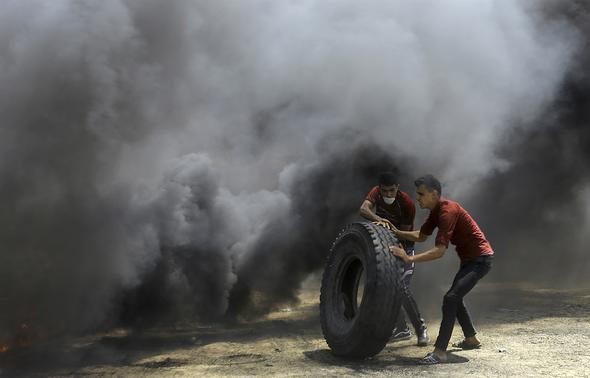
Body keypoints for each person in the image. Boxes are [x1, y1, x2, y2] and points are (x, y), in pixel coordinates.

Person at [389, 174, 494, 364]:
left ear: (434, 193)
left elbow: (439, 252)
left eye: (421, 194)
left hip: (481, 260)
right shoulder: (436, 212)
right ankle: (471, 339)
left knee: (451, 298)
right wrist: (396, 232)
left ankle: (439, 352)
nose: (417, 198)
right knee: (455, 297)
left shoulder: (447, 211)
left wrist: (409, 257)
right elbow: (421, 236)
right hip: (471, 260)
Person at [360, 171, 429, 347]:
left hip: (404, 246)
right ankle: (402, 329)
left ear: (397, 188)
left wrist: (401, 253)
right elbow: (363, 209)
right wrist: (378, 219)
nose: (388, 194)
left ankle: (421, 328)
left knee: (402, 287)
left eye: (391, 190)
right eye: (385, 191)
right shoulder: (376, 192)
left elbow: (405, 235)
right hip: (385, 247)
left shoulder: (406, 203)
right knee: (388, 287)